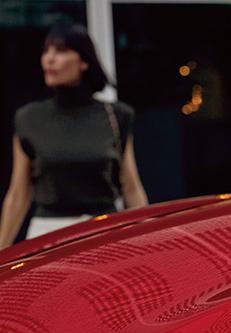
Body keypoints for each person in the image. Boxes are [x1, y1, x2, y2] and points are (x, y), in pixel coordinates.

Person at [0, 23, 147, 250]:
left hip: (105, 232)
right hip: (47, 235)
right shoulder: (28, 118)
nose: (49, 59)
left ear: (84, 61)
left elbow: (130, 185)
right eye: (46, 51)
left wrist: (147, 242)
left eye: (60, 51)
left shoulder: (116, 116)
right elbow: (18, 193)